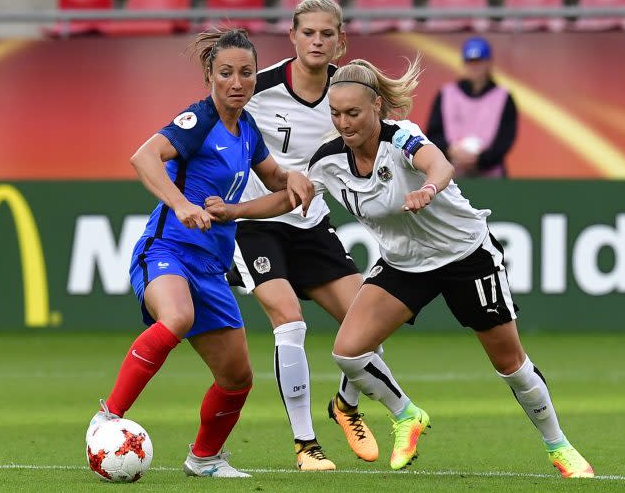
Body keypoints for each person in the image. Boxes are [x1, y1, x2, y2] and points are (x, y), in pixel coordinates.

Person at [205, 57, 595, 478]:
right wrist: (235, 211)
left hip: (464, 255)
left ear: (376, 107)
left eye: (353, 113)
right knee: (348, 352)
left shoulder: (403, 138)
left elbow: (439, 164)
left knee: (509, 362)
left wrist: (428, 188)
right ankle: (407, 414)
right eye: (335, 114)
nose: (344, 123)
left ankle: (559, 446)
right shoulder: (328, 160)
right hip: (404, 265)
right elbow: (288, 198)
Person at [85, 28, 313, 479]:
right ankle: (107, 417)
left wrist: (294, 181)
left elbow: (274, 184)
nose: (237, 82)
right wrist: (182, 204)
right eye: (226, 72)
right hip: (167, 249)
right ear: (210, 74)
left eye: (246, 73)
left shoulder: (247, 129)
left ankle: (204, 459)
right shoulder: (198, 120)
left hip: (211, 267)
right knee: (178, 317)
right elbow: (144, 157)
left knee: (237, 379)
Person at [226, 0, 377, 470]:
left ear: (340, 42)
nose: (316, 41)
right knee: (289, 321)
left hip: (312, 224)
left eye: (326, 34)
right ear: (292, 37)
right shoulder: (259, 87)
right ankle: (305, 444)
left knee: (370, 325)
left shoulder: (347, 94)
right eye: (307, 32)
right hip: (254, 224)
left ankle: (345, 406)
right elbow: (214, 125)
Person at [426, 36, 517, 178]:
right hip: (450, 176)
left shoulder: (504, 97)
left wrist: (480, 159)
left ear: (489, 63)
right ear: (464, 63)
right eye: (470, 62)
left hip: (491, 176)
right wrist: (450, 150)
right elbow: (433, 133)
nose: (475, 67)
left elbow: (505, 139)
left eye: (479, 61)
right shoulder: (446, 94)